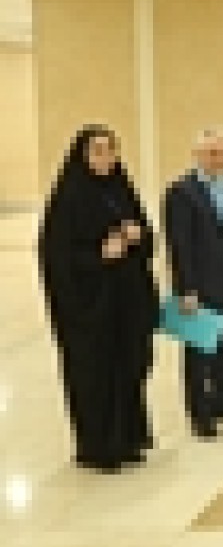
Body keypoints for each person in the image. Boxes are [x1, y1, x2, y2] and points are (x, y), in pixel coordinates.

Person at [39, 126, 158, 472]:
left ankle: (128, 440)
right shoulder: (69, 199)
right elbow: (58, 258)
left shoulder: (122, 190)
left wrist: (138, 236)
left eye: (111, 150)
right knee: (96, 376)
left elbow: (148, 239)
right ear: (83, 155)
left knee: (129, 369)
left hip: (126, 301)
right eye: (98, 151)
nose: (106, 158)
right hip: (90, 308)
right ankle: (98, 447)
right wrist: (99, 256)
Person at [162, 128, 223, 440]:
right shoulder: (182, 192)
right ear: (197, 155)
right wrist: (186, 289)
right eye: (212, 153)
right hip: (200, 285)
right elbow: (180, 245)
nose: (218, 159)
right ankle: (200, 414)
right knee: (200, 351)